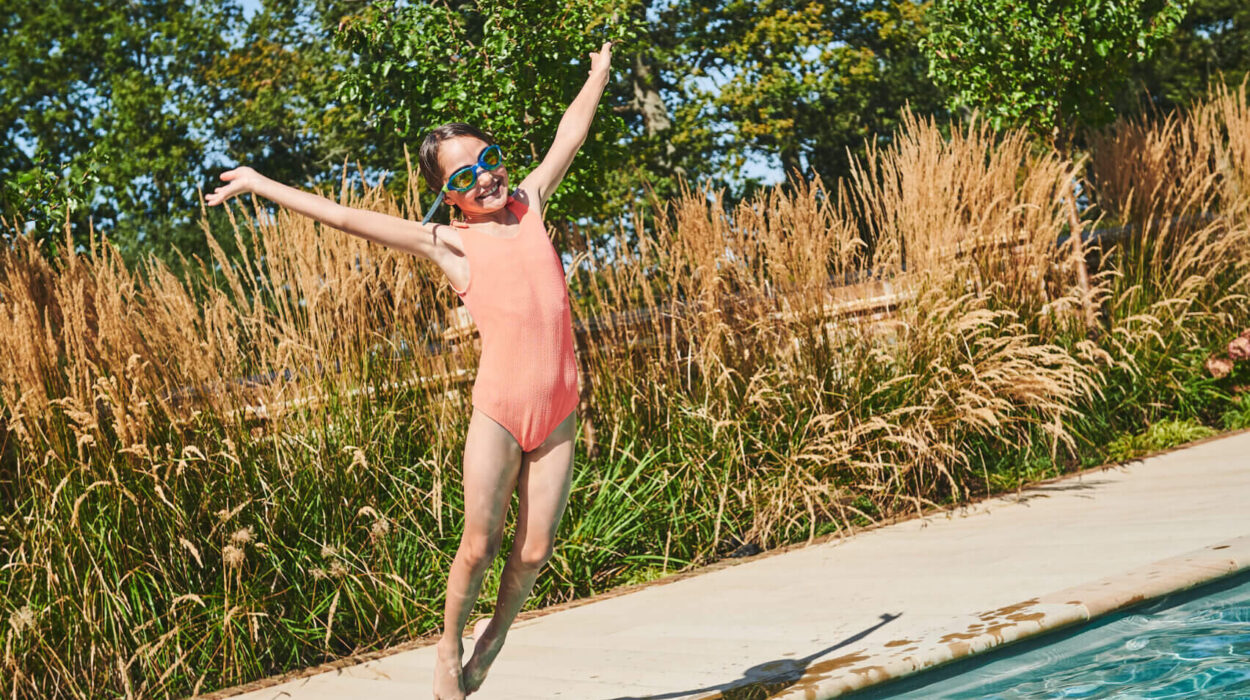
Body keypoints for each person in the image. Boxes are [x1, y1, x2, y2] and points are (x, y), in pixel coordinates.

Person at [205, 41, 615, 700]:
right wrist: (258, 183)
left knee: (534, 551)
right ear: (447, 197)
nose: (484, 177)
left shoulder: (532, 204)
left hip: (560, 410)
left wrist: (595, 74)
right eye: (464, 177)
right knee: (479, 546)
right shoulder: (451, 244)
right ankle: (449, 647)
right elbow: (343, 217)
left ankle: (496, 636)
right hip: (501, 414)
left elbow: (571, 134)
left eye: (489, 160)